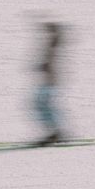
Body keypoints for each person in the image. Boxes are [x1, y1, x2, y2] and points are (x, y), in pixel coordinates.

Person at [27, 18, 70, 146]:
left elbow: (51, 59)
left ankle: (55, 134)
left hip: (50, 81)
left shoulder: (53, 43)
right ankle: (56, 133)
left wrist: (43, 66)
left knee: (42, 105)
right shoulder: (51, 43)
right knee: (42, 105)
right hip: (49, 80)